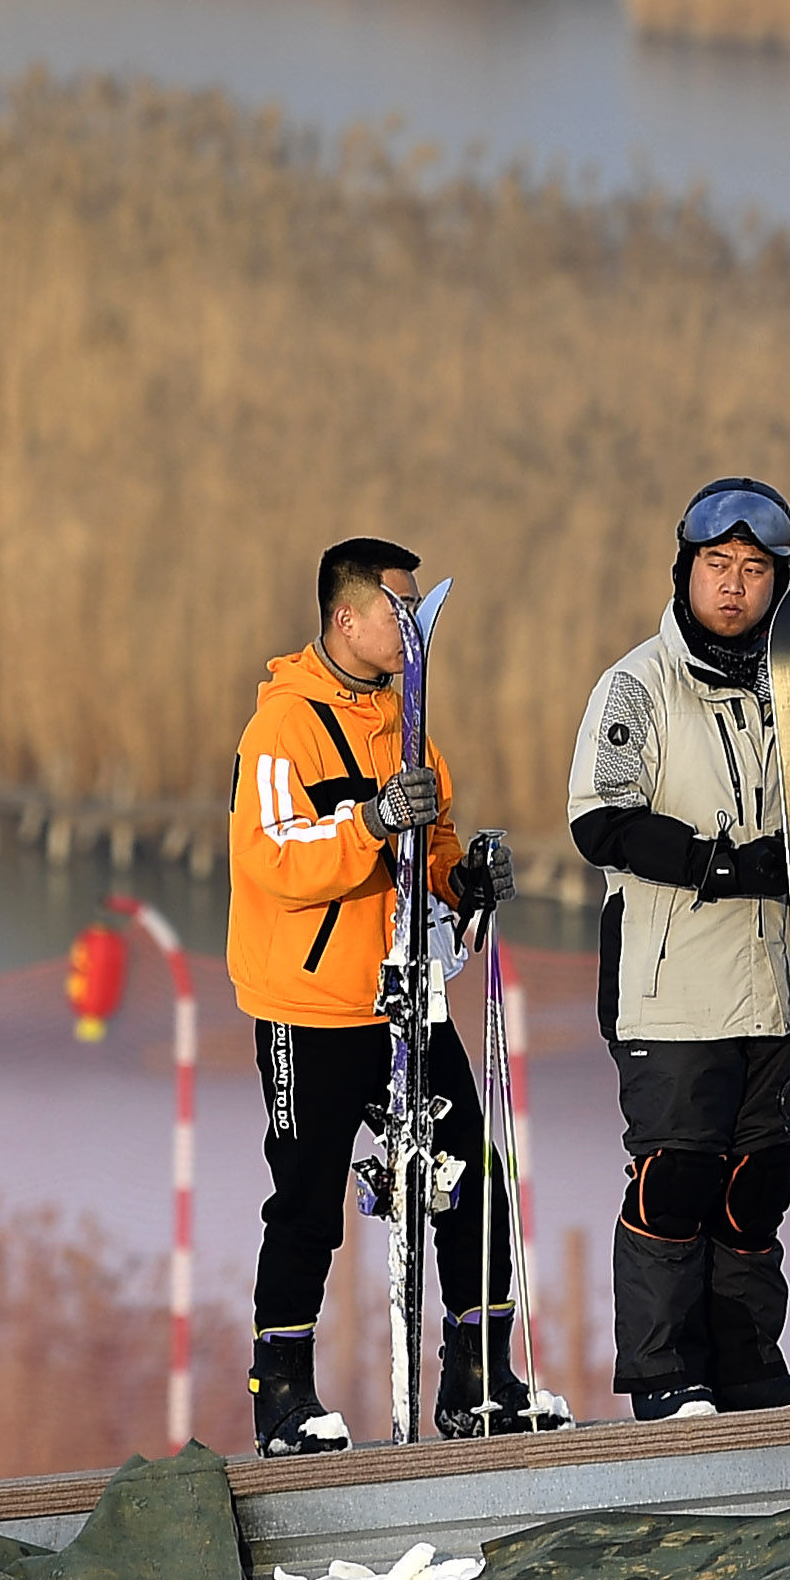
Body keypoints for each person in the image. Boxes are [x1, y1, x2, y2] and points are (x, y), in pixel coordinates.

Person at [231, 535, 534, 1454]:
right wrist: (367, 821)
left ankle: (478, 1377)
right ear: (346, 617)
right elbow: (276, 860)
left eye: (416, 616)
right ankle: (281, 1394)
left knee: (472, 1178)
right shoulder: (282, 728)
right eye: (397, 614)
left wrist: (464, 880)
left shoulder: (408, 724)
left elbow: (430, 850)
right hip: (310, 1006)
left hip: (406, 1001)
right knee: (309, 1202)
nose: (410, 632)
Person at [565, 475, 790, 1422]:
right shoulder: (638, 683)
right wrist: (733, 865)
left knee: (757, 1185)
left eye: (755, 571)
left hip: (780, 986)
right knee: (676, 1178)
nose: (735, 587)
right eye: (718, 566)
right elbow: (601, 821)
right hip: (671, 987)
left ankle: (747, 1360)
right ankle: (665, 1373)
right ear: (685, 571)